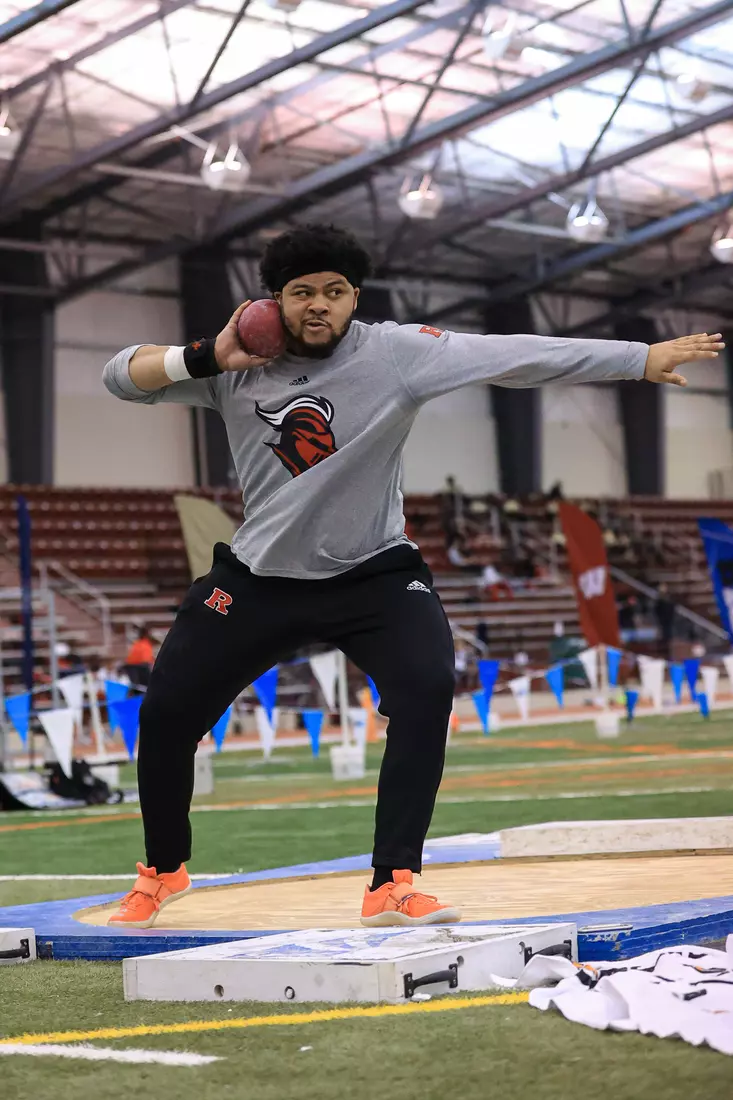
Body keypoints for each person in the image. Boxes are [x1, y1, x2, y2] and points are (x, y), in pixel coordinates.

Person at [101, 221, 723, 930]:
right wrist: (205, 356)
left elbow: (509, 354)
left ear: (353, 297)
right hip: (257, 578)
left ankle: (393, 879)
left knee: (426, 690)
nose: (318, 304)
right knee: (165, 715)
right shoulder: (237, 365)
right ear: (275, 300)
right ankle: (163, 870)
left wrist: (637, 358)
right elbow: (119, 376)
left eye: (335, 291)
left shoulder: (395, 353)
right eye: (301, 292)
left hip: (374, 575)